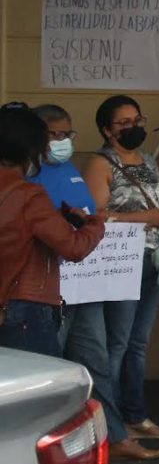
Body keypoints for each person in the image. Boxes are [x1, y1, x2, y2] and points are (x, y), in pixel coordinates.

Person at [27, 104, 159, 460]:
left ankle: (114, 436)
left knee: (96, 360)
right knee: (53, 364)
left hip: (85, 281)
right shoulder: (28, 176)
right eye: (55, 135)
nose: (63, 141)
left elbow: (91, 216)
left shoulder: (69, 169)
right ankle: (50, 447)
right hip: (51, 285)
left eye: (67, 134)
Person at [83, 95, 159, 447]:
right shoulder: (100, 163)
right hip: (121, 260)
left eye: (136, 120)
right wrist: (149, 218)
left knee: (138, 344)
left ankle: (135, 414)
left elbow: (155, 203)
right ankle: (111, 425)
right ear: (106, 130)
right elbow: (96, 215)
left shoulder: (148, 160)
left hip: (154, 256)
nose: (133, 127)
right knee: (118, 343)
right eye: (123, 123)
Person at [0, 102, 104, 357]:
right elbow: (73, 247)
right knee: (39, 379)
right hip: (24, 304)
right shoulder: (28, 195)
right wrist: (94, 224)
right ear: (31, 150)